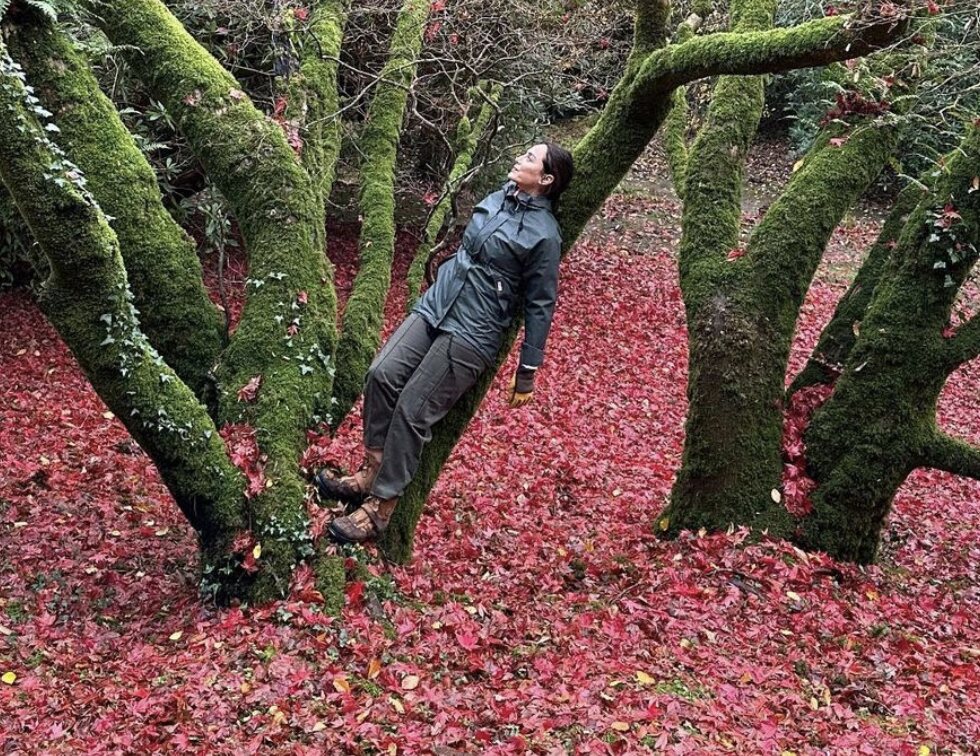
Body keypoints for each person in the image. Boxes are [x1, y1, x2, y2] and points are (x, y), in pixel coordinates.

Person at [317, 141, 574, 544]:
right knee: (381, 375)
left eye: (529, 158)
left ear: (545, 179)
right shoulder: (496, 197)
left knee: (412, 409)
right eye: (522, 152)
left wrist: (528, 368)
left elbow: (542, 303)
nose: (518, 158)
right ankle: (372, 469)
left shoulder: (545, 236)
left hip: (474, 328)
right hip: (437, 305)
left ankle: (382, 506)